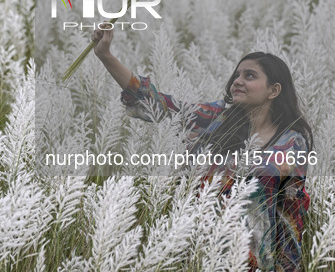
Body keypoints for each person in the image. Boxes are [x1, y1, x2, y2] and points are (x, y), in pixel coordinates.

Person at [91, 24, 312, 272]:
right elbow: (157, 104)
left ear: (274, 90)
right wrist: (105, 55)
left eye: (249, 76)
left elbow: (291, 211)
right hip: (195, 253)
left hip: (250, 262)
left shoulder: (292, 143)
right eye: (237, 75)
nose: (237, 81)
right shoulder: (215, 119)